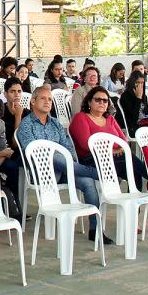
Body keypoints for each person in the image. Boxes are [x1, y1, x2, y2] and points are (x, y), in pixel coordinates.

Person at [16, 86, 102, 238]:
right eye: (43, 98)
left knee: (88, 182)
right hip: (42, 172)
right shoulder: (26, 124)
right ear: (33, 101)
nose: (47, 102)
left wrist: (68, 161)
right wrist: (55, 155)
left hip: (64, 169)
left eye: (50, 99)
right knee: (54, 156)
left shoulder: (55, 123)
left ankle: (95, 230)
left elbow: (68, 147)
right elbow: (33, 152)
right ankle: (98, 172)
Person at [69, 85, 146, 188]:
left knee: (133, 167)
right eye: (97, 100)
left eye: (105, 101)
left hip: (114, 158)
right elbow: (86, 145)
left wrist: (115, 150)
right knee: (130, 163)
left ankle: (137, 200)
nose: (102, 102)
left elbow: (123, 141)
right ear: (89, 102)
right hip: (91, 160)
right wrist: (112, 150)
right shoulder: (81, 117)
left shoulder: (110, 118)